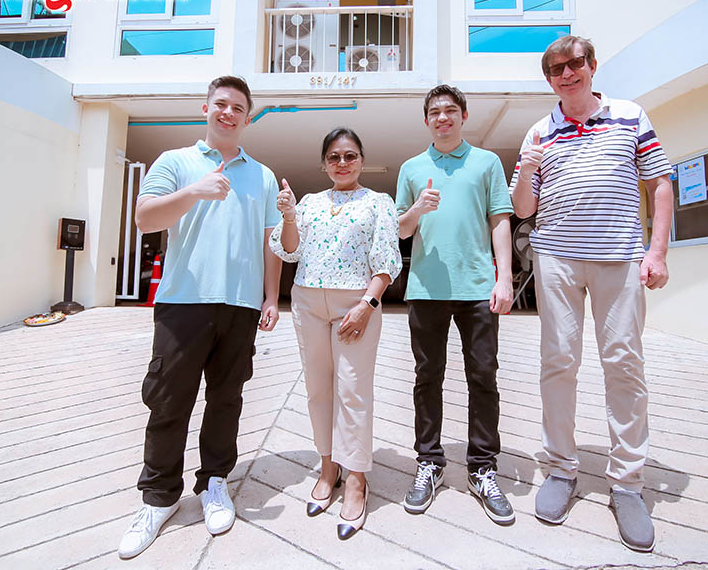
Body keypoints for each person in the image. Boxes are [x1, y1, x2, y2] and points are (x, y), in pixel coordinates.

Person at [509, 35, 673, 552]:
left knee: (623, 363)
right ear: (549, 79)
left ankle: (627, 483)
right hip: (557, 258)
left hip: (619, 257)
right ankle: (561, 468)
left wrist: (657, 251)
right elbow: (523, 209)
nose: (567, 73)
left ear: (592, 66)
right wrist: (528, 167)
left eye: (575, 63)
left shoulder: (630, 116)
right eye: (556, 69)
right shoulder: (540, 130)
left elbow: (660, 184)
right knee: (558, 362)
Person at [118, 76, 282, 559]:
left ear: (248, 118)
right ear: (205, 108)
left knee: (226, 400)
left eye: (238, 108)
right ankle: (159, 497)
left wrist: (271, 297)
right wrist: (195, 191)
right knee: (168, 401)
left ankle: (214, 482)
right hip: (183, 303)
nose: (228, 113)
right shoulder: (175, 162)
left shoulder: (262, 175)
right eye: (221, 104)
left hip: (241, 307)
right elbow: (145, 218)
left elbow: (271, 240)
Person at [269, 127, 402, 540]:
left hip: (355, 304)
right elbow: (289, 250)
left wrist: (367, 305)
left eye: (350, 155)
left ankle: (357, 478)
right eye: (334, 157)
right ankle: (329, 467)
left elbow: (386, 260)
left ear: (361, 160)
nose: (342, 163)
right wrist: (289, 216)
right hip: (308, 301)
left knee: (352, 391)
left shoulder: (378, 202)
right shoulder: (309, 202)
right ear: (324, 163)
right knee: (318, 390)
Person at [395, 84, 516, 525]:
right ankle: (429, 461)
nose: (442, 118)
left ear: (464, 115)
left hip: (478, 287)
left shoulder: (486, 162)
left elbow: (500, 220)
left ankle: (482, 468)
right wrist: (417, 210)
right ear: (426, 119)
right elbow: (401, 231)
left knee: (483, 376)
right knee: (427, 377)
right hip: (426, 289)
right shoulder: (411, 168)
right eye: (434, 112)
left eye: (450, 110)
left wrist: (505, 278)